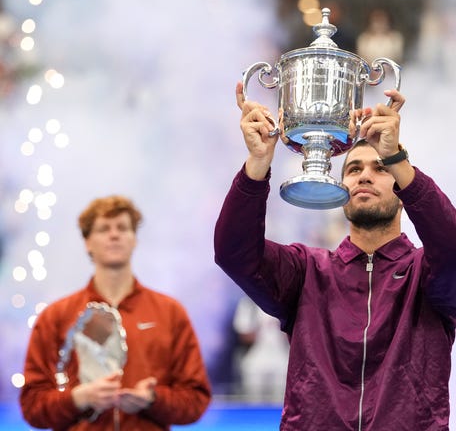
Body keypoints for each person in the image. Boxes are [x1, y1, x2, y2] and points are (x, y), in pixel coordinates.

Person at [214, 82, 456, 430]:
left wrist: (398, 159)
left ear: (404, 190)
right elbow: (233, 252)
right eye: (354, 170)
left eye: (381, 168)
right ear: (342, 191)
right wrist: (257, 163)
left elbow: (451, 247)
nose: (365, 177)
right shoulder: (308, 271)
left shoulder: (427, 273)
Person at [20, 195, 211, 430]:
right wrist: (79, 398)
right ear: (87, 242)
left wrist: (153, 399)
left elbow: (196, 400)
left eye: (123, 227)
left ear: (134, 240)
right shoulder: (56, 316)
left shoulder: (170, 313)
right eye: (103, 229)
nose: (114, 234)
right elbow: (32, 406)